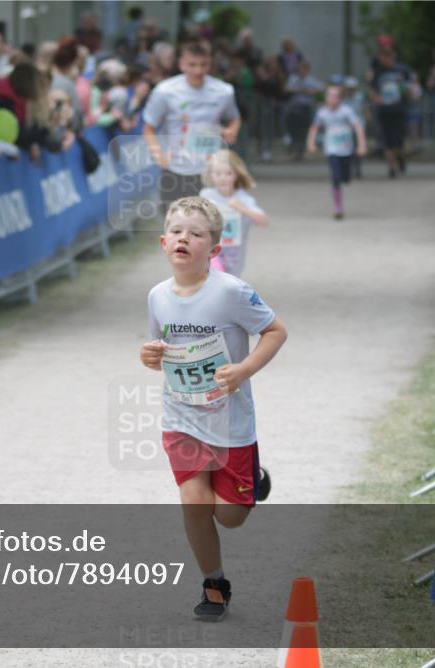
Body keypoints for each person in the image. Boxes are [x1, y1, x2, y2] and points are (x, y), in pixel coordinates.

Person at [139, 195, 287, 622]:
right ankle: (214, 583)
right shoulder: (157, 296)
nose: (185, 238)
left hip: (229, 420)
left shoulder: (232, 292)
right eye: (178, 232)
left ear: (215, 249)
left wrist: (243, 370)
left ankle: (252, 480)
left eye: (196, 233)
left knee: (230, 516)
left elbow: (276, 331)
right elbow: (160, 350)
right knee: (194, 504)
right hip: (180, 417)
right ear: (163, 242)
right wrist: (149, 356)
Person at [143, 40, 241, 212]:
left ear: (210, 64)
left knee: (208, 224)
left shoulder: (224, 91)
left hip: (210, 170)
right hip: (176, 168)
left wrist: (232, 130)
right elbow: (149, 127)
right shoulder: (165, 91)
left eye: (204, 65)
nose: (198, 70)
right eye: (192, 65)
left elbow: (234, 118)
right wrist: (158, 154)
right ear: (181, 64)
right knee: (175, 226)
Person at [199, 149, 268, 277]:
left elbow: (264, 221)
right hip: (211, 252)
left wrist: (243, 209)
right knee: (216, 280)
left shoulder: (244, 199)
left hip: (235, 255)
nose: (223, 178)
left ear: (236, 174)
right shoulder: (206, 196)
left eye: (228, 173)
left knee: (229, 287)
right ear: (210, 174)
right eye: (218, 173)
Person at [306, 85, 367, 220]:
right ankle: (338, 207)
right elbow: (314, 128)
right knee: (335, 177)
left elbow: (358, 127)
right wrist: (311, 143)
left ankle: (345, 178)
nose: (332, 99)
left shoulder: (346, 111)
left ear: (340, 99)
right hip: (332, 150)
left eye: (335, 96)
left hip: (346, 150)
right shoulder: (322, 113)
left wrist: (362, 145)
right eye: (329, 96)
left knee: (345, 177)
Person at [368, 47, 411, 178]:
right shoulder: (377, 72)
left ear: (390, 58)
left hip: (399, 109)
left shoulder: (402, 70)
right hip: (384, 110)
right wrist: (377, 99)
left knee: (398, 141)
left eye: (383, 58)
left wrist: (407, 92)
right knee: (387, 141)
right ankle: (391, 168)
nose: (381, 60)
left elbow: (409, 86)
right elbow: (372, 89)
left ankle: (401, 159)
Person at [283, 59, 323, 160]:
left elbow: (321, 88)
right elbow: (287, 88)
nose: (302, 71)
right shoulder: (293, 79)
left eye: (304, 69)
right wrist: (301, 90)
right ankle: (295, 148)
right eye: (300, 69)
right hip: (294, 108)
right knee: (294, 129)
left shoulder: (311, 80)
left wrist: (310, 91)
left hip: (306, 108)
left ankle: (302, 149)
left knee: (305, 129)